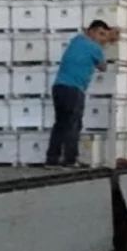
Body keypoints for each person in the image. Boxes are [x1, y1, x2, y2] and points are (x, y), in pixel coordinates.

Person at [46, 20, 115, 168]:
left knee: (60, 124)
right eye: (100, 33)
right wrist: (107, 46)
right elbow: (103, 67)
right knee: (73, 124)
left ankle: (52, 159)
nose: (102, 38)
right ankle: (70, 160)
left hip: (59, 87)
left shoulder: (76, 40)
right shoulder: (95, 47)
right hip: (74, 89)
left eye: (104, 35)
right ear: (91, 31)